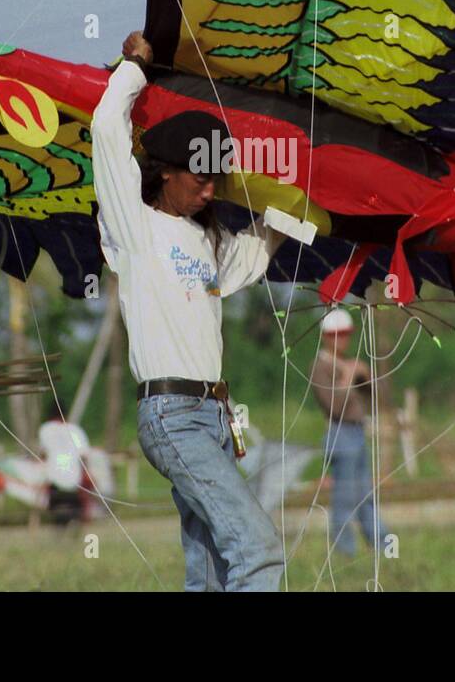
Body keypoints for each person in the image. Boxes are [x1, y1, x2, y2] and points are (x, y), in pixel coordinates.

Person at [90, 31, 285, 591]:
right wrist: (134, 67)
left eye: (216, 180)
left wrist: (301, 205)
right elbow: (107, 131)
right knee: (257, 546)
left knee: (210, 570)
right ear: (165, 173)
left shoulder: (208, 242)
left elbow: (253, 256)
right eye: (200, 179)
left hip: (214, 419)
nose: (210, 191)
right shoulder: (136, 226)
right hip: (172, 416)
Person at [311, 308, 386, 556]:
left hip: (358, 432)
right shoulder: (320, 366)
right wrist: (347, 378)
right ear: (325, 336)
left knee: (366, 495)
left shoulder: (349, 363)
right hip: (339, 435)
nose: (341, 339)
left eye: (345, 334)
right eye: (336, 334)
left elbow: (376, 399)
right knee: (344, 499)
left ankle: (383, 545)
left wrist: (367, 378)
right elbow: (335, 406)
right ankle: (345, 552)